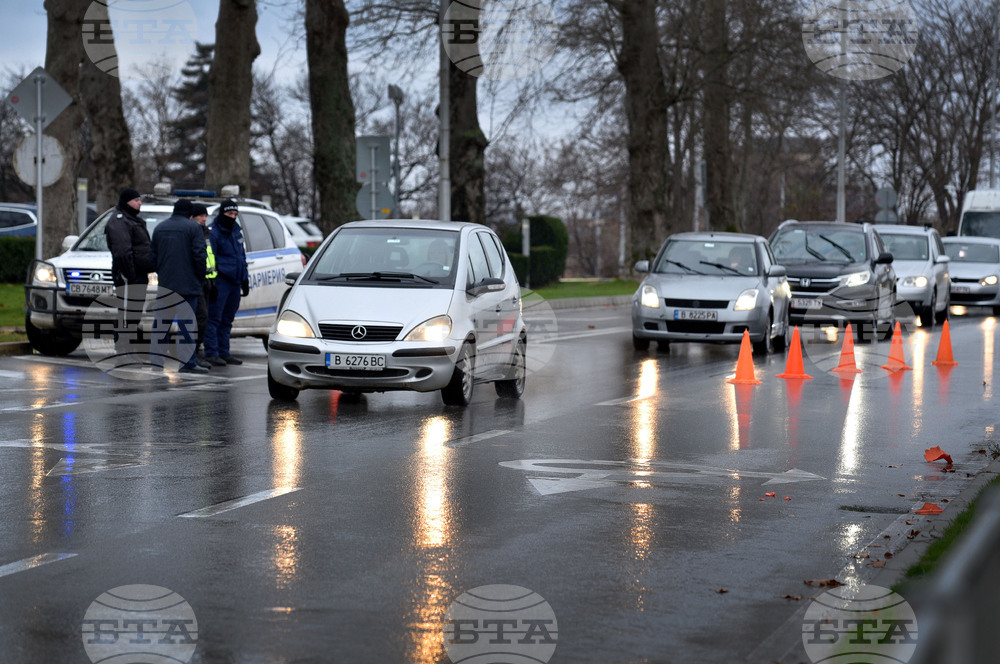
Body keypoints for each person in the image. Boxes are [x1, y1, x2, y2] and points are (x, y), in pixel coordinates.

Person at [149, 198, 208, 373]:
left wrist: (163, 273)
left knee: (161, 325)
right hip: (188, 287)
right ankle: (187, 363)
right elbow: (199, 256)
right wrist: (199, 278)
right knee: (186, 327)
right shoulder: (194, 228)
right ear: (190, 214)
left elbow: (153, 257)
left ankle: (156, 362)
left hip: (166, 285)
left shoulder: (160, 228)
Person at [105, 188, 153, 351]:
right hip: (128, 276)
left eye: (140, 200)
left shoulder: (132, 219)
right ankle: (123, 349)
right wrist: (130, 276)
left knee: (133, 313)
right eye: (136, 200)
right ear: (127, 202)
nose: (140, 203)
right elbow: (123, 253)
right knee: (127, 312)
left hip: (138, 274)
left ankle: (128, 347)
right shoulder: (120, 221)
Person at [204, 199, 250, 366]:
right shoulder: (214, 233)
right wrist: (213, 282)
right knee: (215, 318)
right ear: (222, 214)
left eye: (235, 214)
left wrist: (245, 279)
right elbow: (211, 259)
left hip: (235, 281)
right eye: (229, 214)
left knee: (228, 319)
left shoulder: (236, 232)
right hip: (221, 281)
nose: (232, 217)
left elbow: (241, 257)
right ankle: (212, 352)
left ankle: (224, 352)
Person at [190, 203, 217, 369]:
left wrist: (213, 280)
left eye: (206, 216)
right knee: (200, 317)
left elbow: (211, 258)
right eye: (201, 216)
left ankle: (196, 352)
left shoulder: (207, 233)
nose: (204, 219)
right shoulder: (192, 232)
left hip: (208, 281)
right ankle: (193, 353)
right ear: (192, 217)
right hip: (196, 281)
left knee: (204, 318)